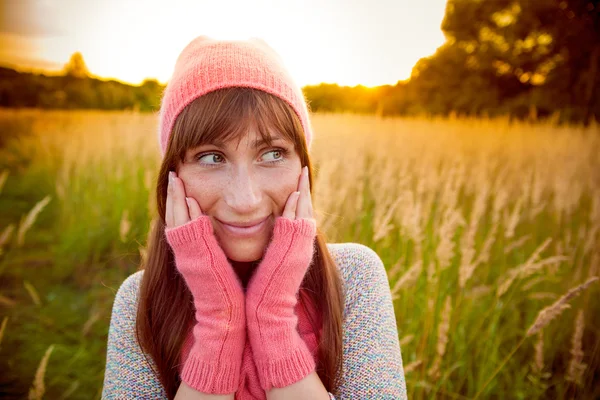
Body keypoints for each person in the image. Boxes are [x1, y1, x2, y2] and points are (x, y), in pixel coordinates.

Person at [102, 36, 407, 399]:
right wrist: (219, 319)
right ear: (174, 175)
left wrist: (272, 319)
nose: (245, 200)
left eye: (273, 153)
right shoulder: (140, 301)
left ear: (303, 167)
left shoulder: (354, 277)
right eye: (212, 157)